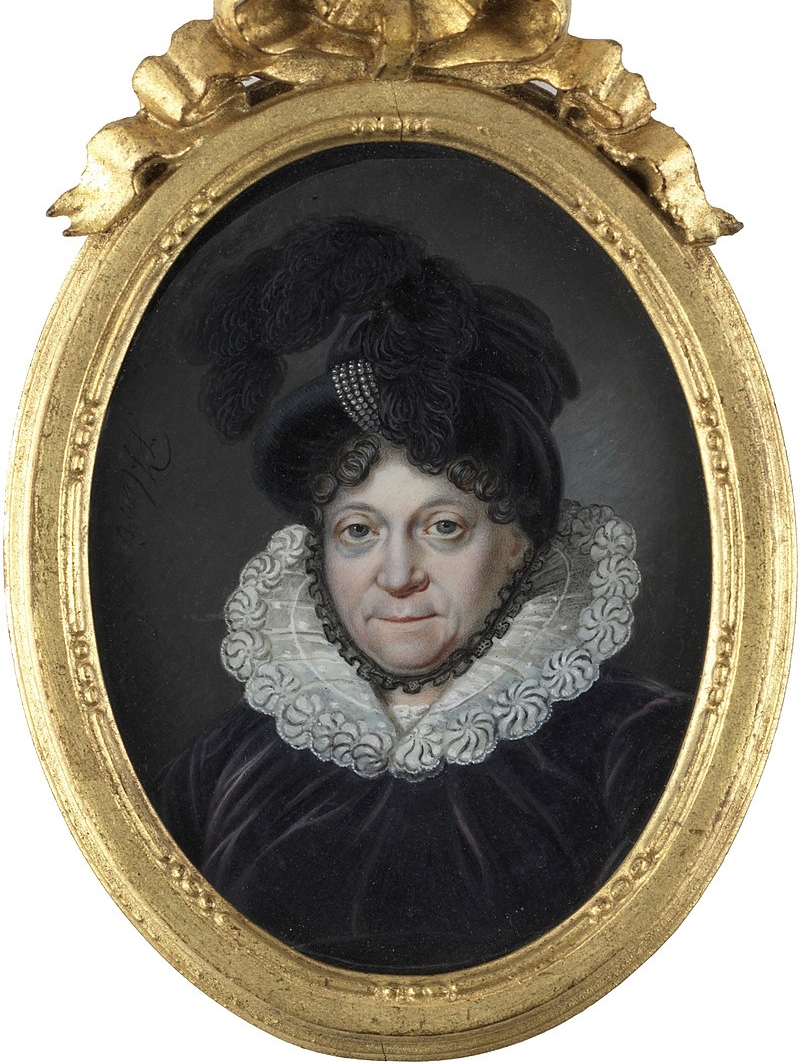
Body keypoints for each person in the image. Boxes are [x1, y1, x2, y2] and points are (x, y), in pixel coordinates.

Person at [155, 218, 690, 973]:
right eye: (359, 531)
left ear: (519, 543)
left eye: (443, 527)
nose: (398, 573)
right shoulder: (224, 767)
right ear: (319, 549)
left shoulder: (638, 746)